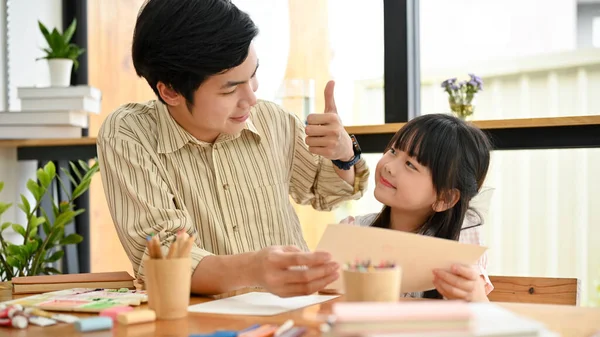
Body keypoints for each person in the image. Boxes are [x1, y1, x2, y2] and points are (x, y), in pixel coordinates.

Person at [96, 0, 370, 297]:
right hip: (203, 323)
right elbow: (163, 256)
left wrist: (344, 154)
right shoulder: (129, 134)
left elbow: (329, 192)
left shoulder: (271, 119)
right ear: (170, 91)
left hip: (295, 315)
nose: (251, 98)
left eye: (253, 75)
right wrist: (252, 269)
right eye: (230, 89)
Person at [341, 113, 494, 302]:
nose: (389, 166)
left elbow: (481, 320)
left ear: (445, 198)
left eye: (410, 165)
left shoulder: (460, 247)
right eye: (393, 151)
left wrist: (475, 296)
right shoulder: (353, 232)